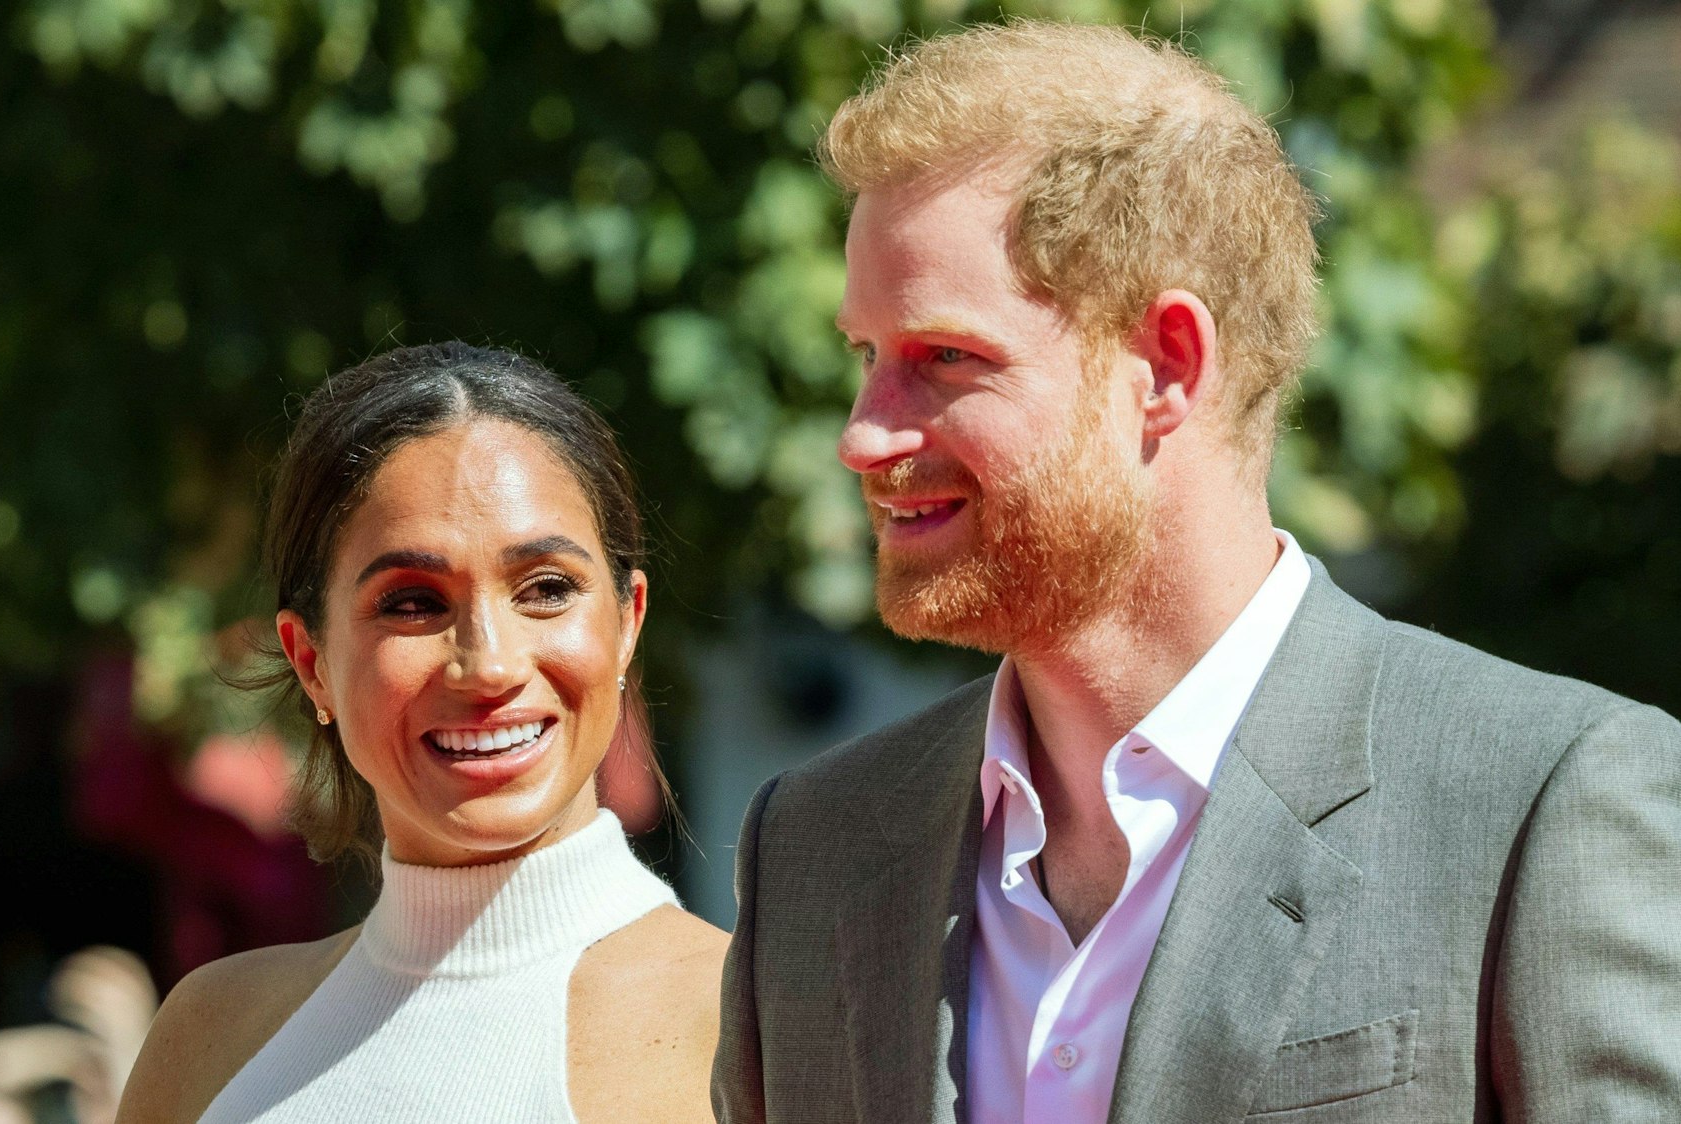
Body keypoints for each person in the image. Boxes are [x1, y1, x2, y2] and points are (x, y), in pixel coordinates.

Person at [713, 20, 1681, 1124]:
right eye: (865, 355)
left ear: (1168, 365)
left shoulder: (1544, 801)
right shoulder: (814, 845)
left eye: (945, 357)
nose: (862, 434)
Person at [118, 343, 727, 1122]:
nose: (489, 665)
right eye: (411, 603)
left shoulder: (758, 1030)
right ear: (312, 663)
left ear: (626, 624)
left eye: (546, 589)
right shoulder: (210, 1037)